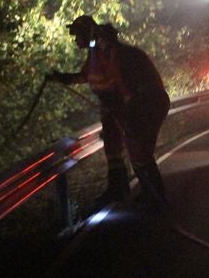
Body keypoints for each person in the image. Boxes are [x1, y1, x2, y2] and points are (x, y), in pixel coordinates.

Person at [46, 15, 130, 207]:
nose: (75, 40)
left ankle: (119, 188)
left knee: (114, 146)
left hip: (115, 104)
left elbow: (114, 75)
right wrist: (63, 78)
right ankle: (120, 186)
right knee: (113, 147)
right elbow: (87, 75)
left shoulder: (102, 49)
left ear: (86, 33)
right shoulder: (96, 51)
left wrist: (118, 101)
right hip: (111, 104)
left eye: (77, 35)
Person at [94, 24, 171, 207]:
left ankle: (156, 196)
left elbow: (127, 92)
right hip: (148, 102)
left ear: (104, 41)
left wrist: (126, 116)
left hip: (148, 104)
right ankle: (152, 194)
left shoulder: (120, 57)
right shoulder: (121, 53)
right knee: (140, 150)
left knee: (140, 150)